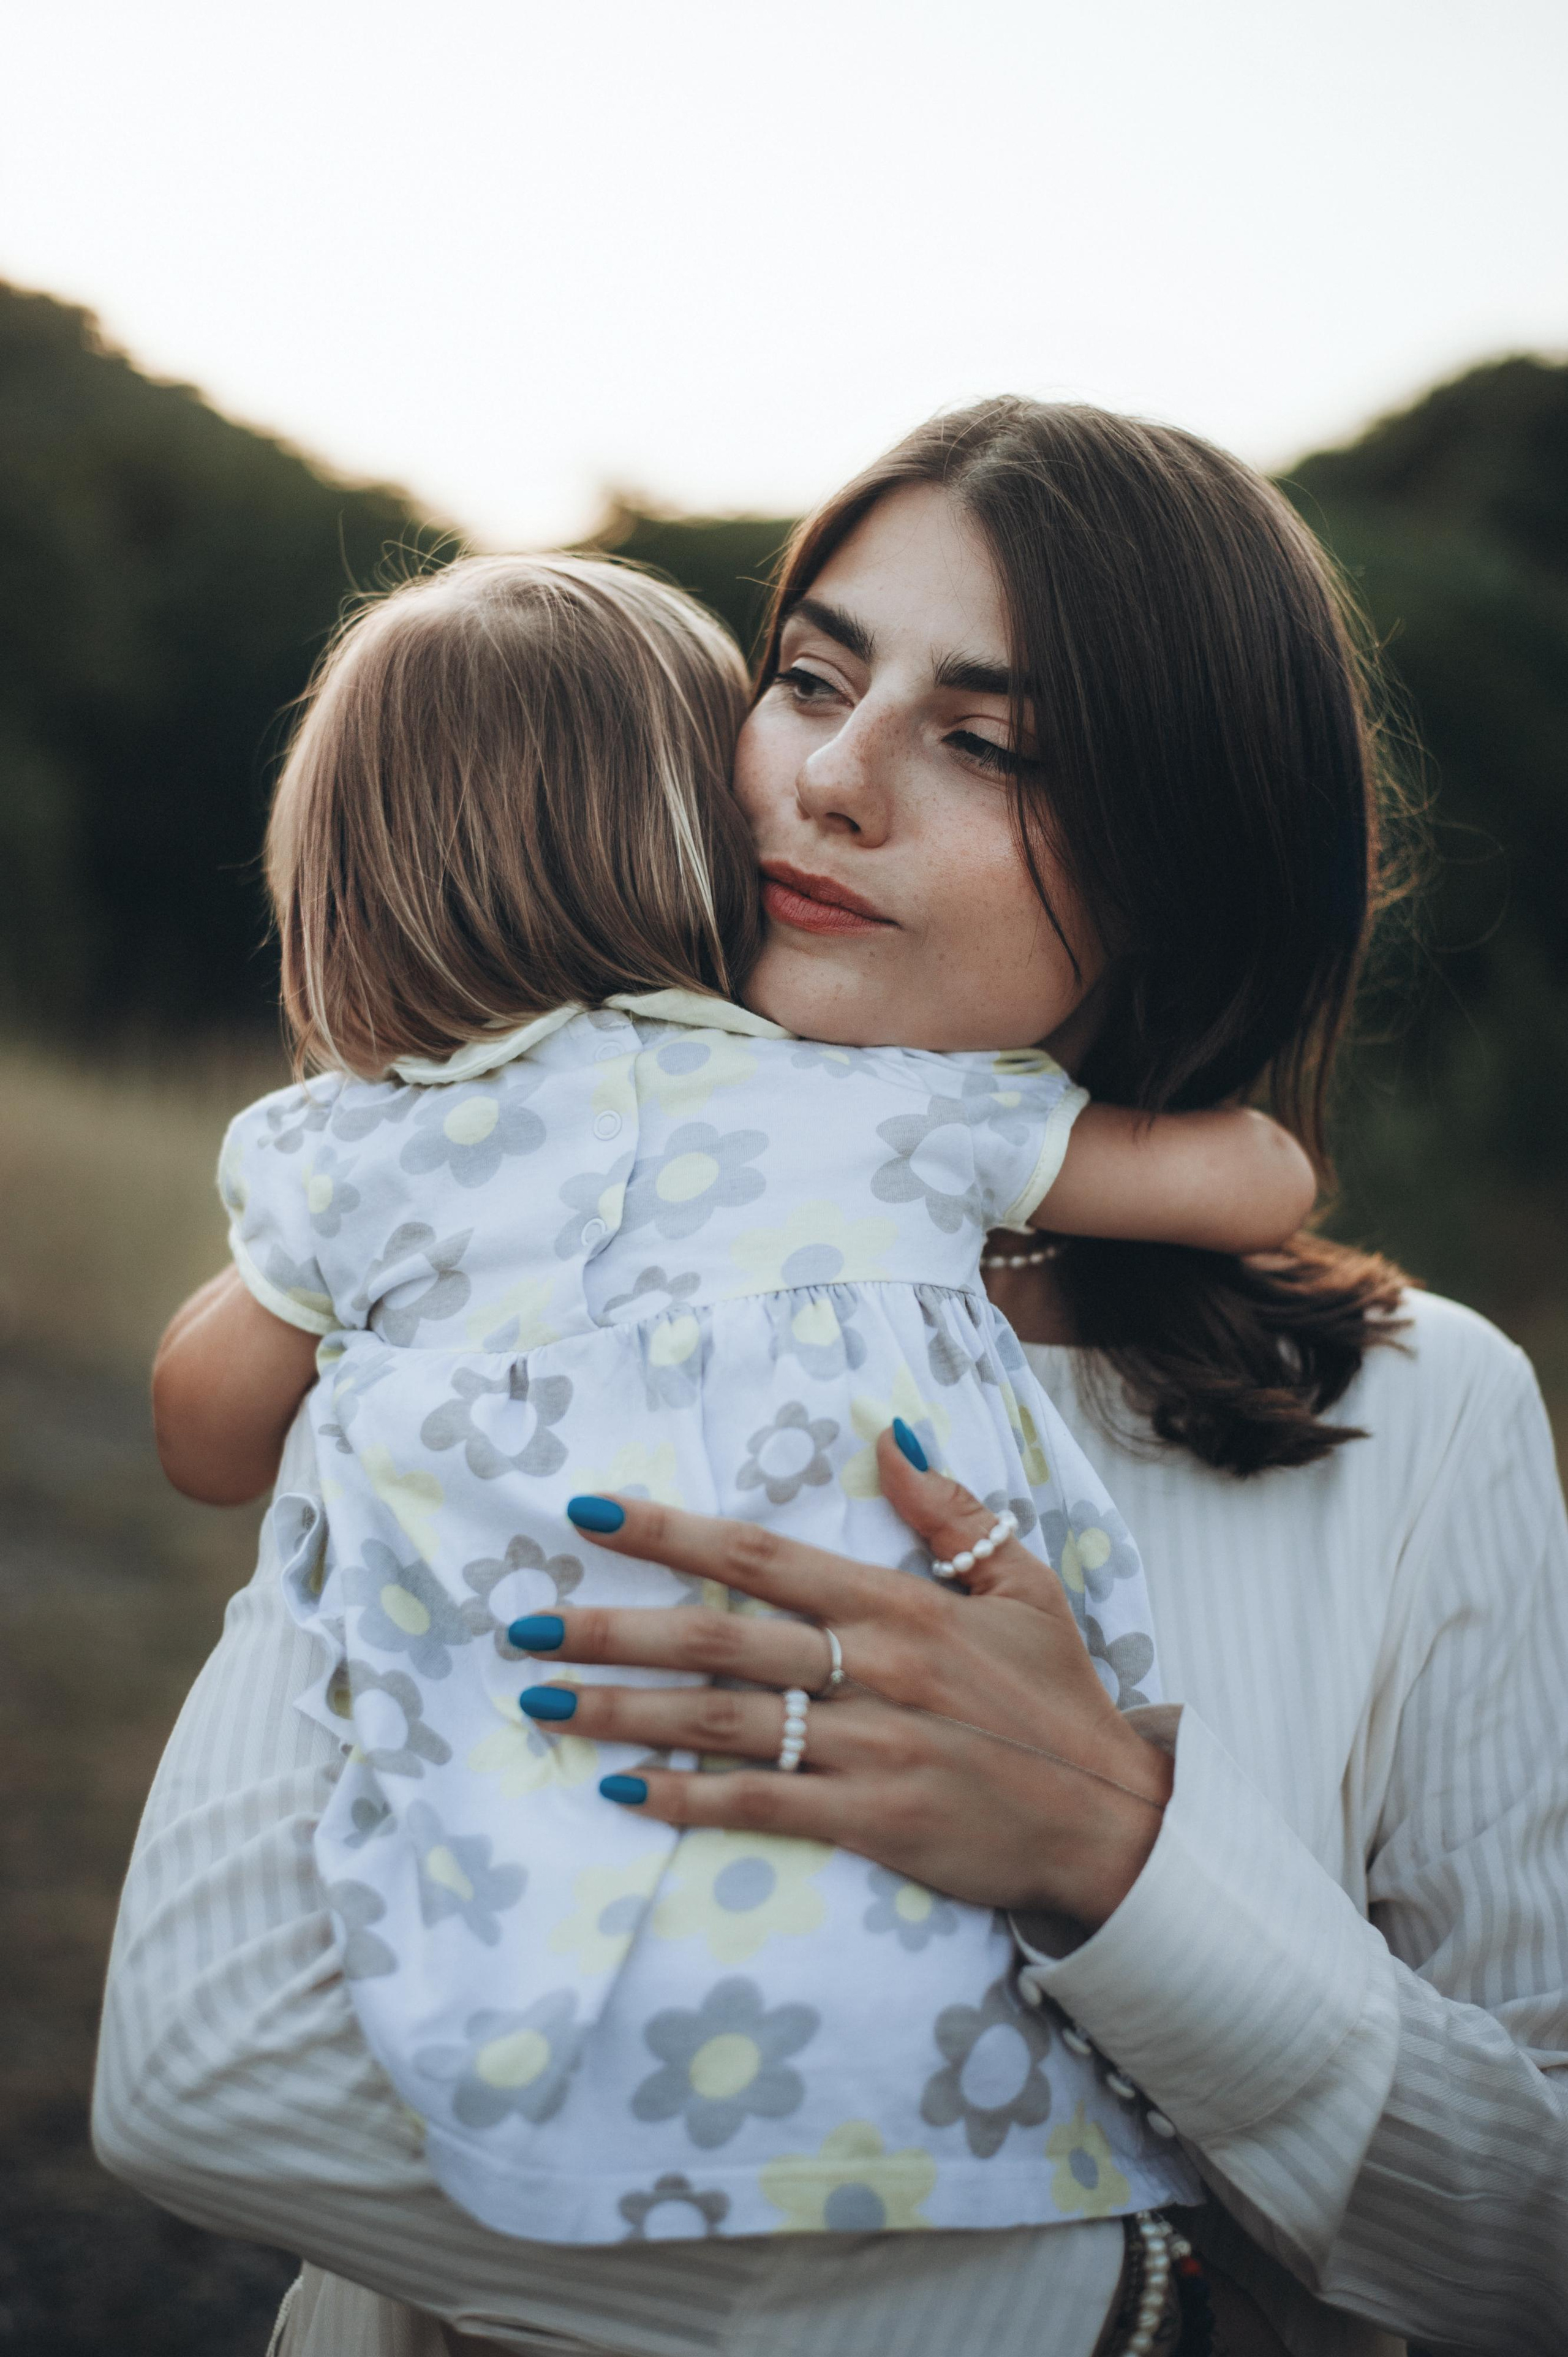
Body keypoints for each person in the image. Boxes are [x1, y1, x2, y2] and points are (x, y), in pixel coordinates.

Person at [94, 403, 1568, 2357]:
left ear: (1194, 862)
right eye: (807, 677)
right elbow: (207, 2074)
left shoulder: (1429, 1420)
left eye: (993, 745)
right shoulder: (486, 1308)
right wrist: (1092, 2306)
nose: (831, 778)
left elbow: (1538, 2227)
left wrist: (1120, 1856)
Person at [148, 543, 1309, 2263]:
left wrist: (300, 1266)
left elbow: (200, 1435)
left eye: (990, 745)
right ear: (705, 824)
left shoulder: (343, 1160)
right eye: (808, 689)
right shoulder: (890, 1109)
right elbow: (1259, 1181)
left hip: (520, 1948)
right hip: (928, 2029)